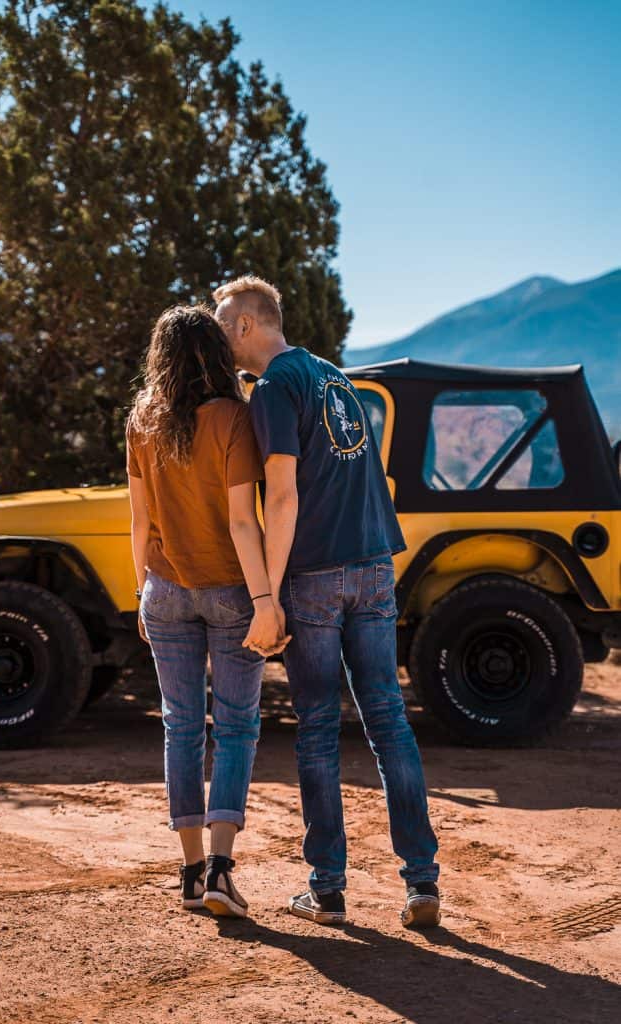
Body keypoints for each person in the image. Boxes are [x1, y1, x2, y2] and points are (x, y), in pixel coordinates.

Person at [214, 276, 440, 928]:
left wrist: (271, 596)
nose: (221, 329)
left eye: (226, 318)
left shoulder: (276, 388)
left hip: (313, 575)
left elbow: (280, 496)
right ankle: (421, 884)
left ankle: (328, 890)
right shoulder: (333, 376)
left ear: (249, 325)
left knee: (316, 732)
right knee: (388, 723)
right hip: (373, 566)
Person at [126, 305, 288, 919]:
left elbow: (140, 521)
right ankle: (222, 869)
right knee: (238, 726)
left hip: (163, 588)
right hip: (228, 590)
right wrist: (265, 601)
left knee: (181, 726)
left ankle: (190, 872)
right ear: (217, 356)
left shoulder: (143, 420)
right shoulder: (232, 418)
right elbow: (243, 520)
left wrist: (140, 591)